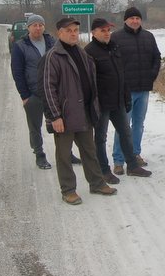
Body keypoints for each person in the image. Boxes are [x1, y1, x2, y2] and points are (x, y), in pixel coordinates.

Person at [38, 17, 117, 205]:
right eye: (69, 30)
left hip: (84, 112)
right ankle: (68, 190)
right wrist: (55, 116)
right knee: (64, 155)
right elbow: (48, 88)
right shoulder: (53, 56)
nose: (73, 33)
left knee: (89, 150)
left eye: (75, 30)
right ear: (60, 33)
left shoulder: (82, 53)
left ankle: (97, 183)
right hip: (64, 116)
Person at [85, 18, 153, 184]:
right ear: (94, 32)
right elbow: (87, 81)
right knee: (100, 138)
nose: (107, 33)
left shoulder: (113, 47)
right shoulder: (89, 51)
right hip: (101, 103)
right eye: (103, 30)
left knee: (125, 132)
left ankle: (132, 166)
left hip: (118, 101)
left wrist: (126, 96)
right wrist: (92, 103)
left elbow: (121, 74)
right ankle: (104, 170)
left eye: (108, 30)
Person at [110, 7, 161, 175]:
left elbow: (156, 57)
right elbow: (112, 62)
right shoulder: (116, 37)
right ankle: (118, 160)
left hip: (144, 88)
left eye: (137, 18)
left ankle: (135, 154)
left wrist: (151, 75)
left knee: (138, 124)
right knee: (123, 126)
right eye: (131, 18)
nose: (135, 21)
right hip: (126, 91)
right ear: (125, 20)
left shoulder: (148, 36)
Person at [10, 14, 56, 169]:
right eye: (34, 25)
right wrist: (25, 96)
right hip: (33, 93)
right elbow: (17, 72)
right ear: (28, 27)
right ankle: (39, 154)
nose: (38, 28)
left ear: (44, 26)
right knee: (35, 127)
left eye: (40, 25)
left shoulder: (52, 42)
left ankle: (66, 153)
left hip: (53, 92)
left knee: (59, 124)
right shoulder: (20, 46)